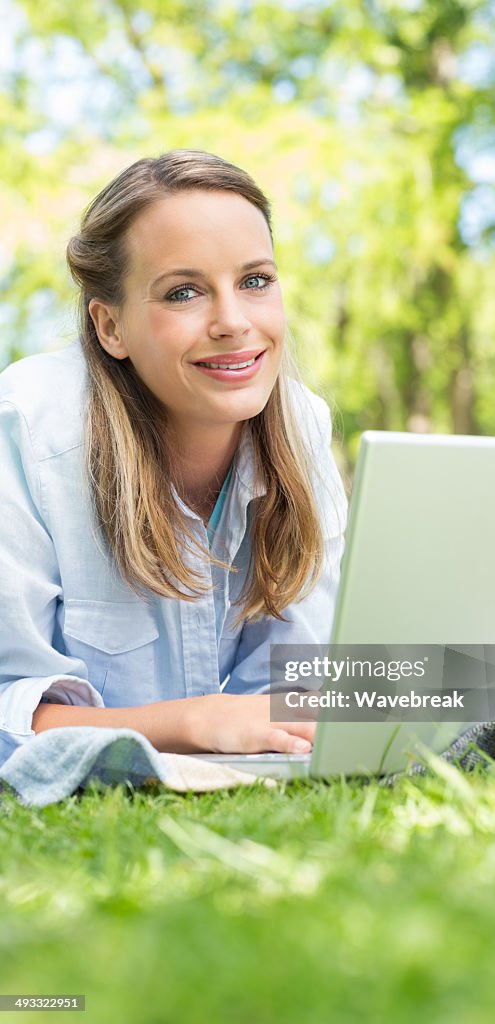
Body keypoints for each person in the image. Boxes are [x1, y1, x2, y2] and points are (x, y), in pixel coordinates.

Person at [0, 149, 347, 766]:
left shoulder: (301, 426)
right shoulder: (28, 425)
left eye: (255, 281)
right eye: (183, 292)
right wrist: (196, 721)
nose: (233, 321)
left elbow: (292, 688)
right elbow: (9, 716)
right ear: (111, 328)